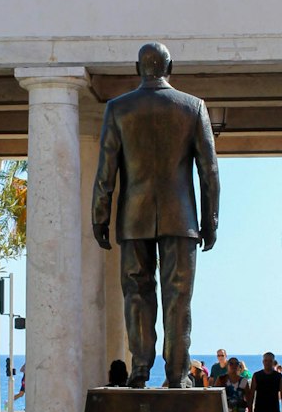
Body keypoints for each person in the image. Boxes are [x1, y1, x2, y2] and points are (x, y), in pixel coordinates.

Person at [92, 41, 220, 389]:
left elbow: (106, 172)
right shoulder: (192, 107)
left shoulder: (119, 109)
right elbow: (209, 172)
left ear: (138, 69)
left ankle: (140, 370)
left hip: (133, 219)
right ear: (170, 67)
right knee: (178, 297)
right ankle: (177, 374)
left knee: (136, 294)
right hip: (182, 219)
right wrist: (210, 221)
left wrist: (99, 217)